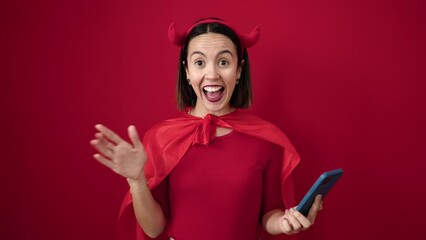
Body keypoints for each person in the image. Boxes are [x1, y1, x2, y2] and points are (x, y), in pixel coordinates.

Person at [90, 18, 323, 240]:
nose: (212, 74)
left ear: (239, 70)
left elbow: (269, 213)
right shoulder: (160, 138)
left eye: (224, 62)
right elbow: (154, 229)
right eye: (199, 62)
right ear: (187, 71)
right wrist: (136, 180)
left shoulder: (265, 139)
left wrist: (283, 223)